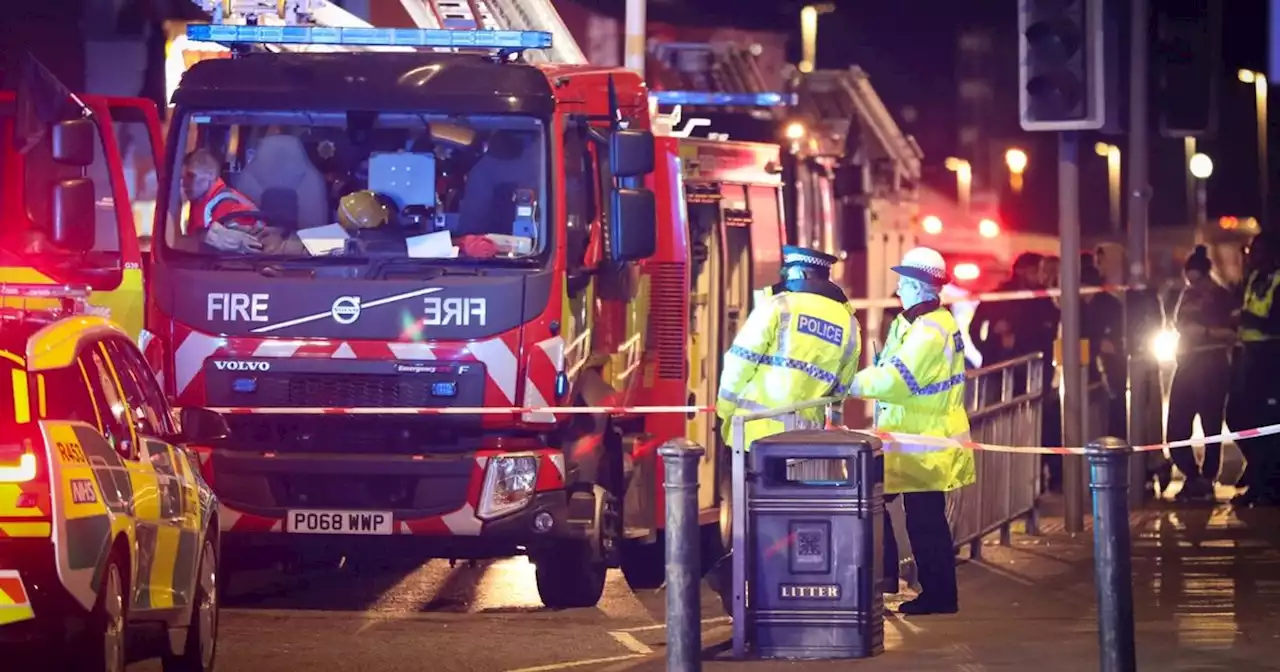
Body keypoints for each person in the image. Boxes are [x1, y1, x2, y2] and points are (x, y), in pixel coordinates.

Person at [848, 246, 972, 615]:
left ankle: (938, 596)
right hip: (910, 441)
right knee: (895, 508)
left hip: (925, 443)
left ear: (921, 285)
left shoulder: (931, 330)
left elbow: (898, 380)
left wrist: (848, 385)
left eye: (904, 281)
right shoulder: (916, 323)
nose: (898, 287)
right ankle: (901, 583)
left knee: (924, 522)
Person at [715, 245, 862, 452]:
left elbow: (740, 361)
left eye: (788, 272)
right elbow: (840, 389)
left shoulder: (778, 306)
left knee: (751, 485)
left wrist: (724, 409)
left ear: (801, 273)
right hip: (806, 439)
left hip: (756, 434)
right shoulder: (850, 323)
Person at [1162, 246, 1235, 502]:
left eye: (1198, 280)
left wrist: (1205, 333)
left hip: (1212, 363)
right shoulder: (1185, 295)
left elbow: (1233, 330)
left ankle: (1207, 478)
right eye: (1190, 280)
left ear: (1207, 274)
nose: (1194, 286)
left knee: (1211, 425)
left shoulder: (1223, 296)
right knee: (1176, 429)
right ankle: (1194, 476)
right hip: (1187, 364)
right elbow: (1177, 323)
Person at [1230, 232, 1280, 507]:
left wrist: (1245, 317)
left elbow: (1273, 324)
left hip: (1271, 359)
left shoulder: (1277, 281)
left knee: (1267, 424)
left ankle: (1267, 486)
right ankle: (1258, 475)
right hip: (1249, 357)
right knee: (1237, 418)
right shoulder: (1253, 279)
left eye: (1258, 251)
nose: (1253, 256)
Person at [178, 148, 267, 253]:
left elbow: (248, 250)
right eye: (182, 178)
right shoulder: (200, 201)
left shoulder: (229, 206)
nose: (183, 184)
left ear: (211, 175)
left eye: (191, 176)